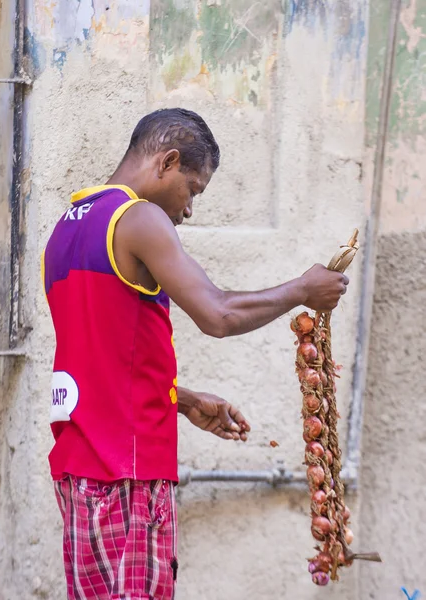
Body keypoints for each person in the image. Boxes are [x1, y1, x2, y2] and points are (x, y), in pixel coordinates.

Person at [42, 108, 349, 600]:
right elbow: (218, 314)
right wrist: (303, 290)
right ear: (167, 161)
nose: (188, 210)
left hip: (81, 472)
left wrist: (179, 399)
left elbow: (97, 358)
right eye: (193, 189)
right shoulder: (136, 218)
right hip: (129, 477)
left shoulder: (66, 229)